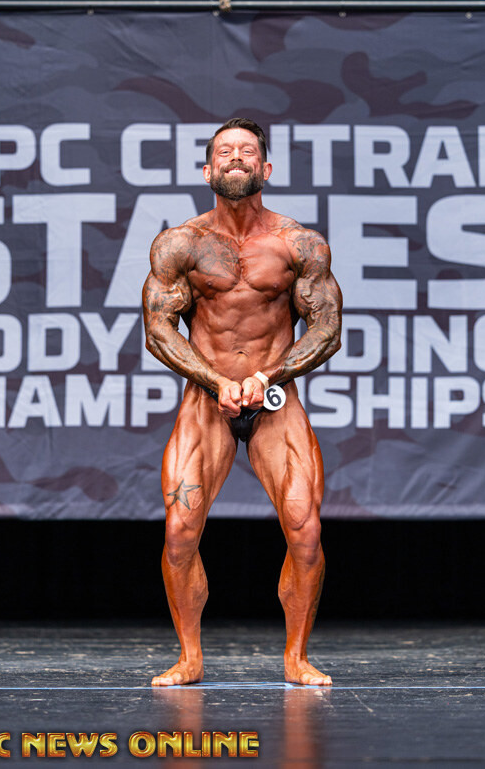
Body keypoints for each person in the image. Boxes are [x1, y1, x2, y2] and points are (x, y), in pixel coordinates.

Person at [142, 117, 342, 686]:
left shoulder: (299, 244)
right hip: (207, 401)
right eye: (224, 151)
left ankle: (297, 657)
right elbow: (158, 330)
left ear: (265, 168)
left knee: (306, 532)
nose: (236, 157)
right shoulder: (180, 244)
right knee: (180, 531)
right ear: (208, 170)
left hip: (274, 399)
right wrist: (217, 381)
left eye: (247, 151)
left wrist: (267, 374)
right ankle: (189, 657)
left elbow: (327, 329)